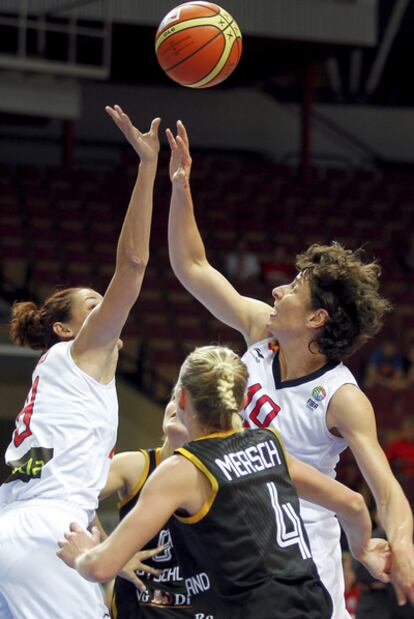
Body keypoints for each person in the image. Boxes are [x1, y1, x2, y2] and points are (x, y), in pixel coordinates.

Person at [164, 121, 414, 616]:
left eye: (294, 286)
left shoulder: (342, 398)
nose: (277, 290)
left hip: (300, 553)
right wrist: (180, 186)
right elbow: (192, 266)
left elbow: (383, 486)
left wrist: (402, 542)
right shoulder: (263, 331)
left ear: (317, 318)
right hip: (231, 532)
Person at [57, 345, 391, 619]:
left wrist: (82, 555)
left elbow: (101, 568)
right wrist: (363, 550)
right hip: (312, 600)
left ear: (183, 400)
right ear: (243, 402)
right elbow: (354, 504)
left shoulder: (182, 470)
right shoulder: (269, 444)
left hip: (256, 611)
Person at [0, 106, 161, 619]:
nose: (105, 313)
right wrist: (147, 167)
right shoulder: (78, 352)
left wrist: (109, 547)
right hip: (47, 534)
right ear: (67, 329)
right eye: (93, 306)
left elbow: (71, 480)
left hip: (20, 528)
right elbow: (133, 266)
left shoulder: (63, 378)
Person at [99, 395, 193, 617]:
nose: (175, 405)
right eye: (173, 396)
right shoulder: (134, 467)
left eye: (188, 399)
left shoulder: (219, 475)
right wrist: (110, 553)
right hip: (135, 610)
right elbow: (71, 496)